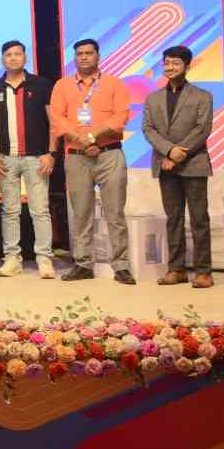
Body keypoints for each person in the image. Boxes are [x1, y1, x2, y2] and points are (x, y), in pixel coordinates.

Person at [51, 38, 133, 284]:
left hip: (109, 154)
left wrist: (92, 137)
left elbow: (120, 117)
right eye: (80, 54)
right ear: (74, 58)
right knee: (81, 213)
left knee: (115, 212)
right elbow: (57, 119)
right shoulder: (62, 86)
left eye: (89, 53)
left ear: (98, 56)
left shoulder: (114, 84)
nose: (84, 57)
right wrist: (82, 140)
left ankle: (121, 266)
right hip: (77, 157)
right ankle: (83, 264)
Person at [142, 45, 215, 289]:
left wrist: (177, 155)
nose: (170, 67)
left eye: (175, 63)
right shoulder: (153, 98)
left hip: (193, 164)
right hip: (165, 165)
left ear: (187, 66)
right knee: (173, 218)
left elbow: (202, 129)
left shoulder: (202, 96)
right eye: (167, 63)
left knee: (199, 219)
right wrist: (168, 151)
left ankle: (204, 272)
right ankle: (177, 269)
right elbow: (148, 129)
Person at [0, 40, 56, 279]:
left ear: (25, 58)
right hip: (6, 159)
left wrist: (51, 153)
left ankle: (44, 259)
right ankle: (12, 259)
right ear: (2, 59)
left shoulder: (41, 85)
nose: (13, 58)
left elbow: (53, 122)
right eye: (8, 54)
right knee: (10, 211)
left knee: (40, 210)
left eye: (18, 54)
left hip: (37, 158)